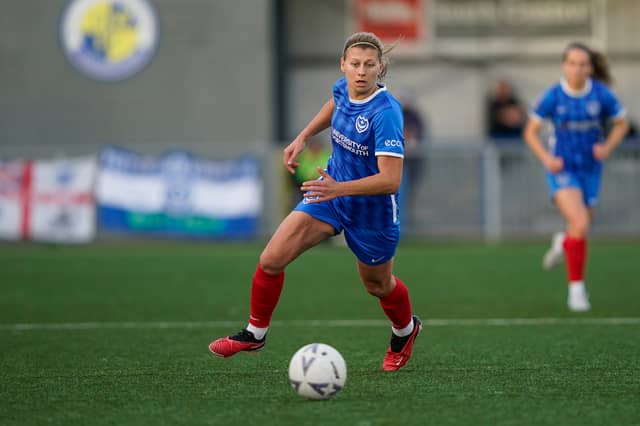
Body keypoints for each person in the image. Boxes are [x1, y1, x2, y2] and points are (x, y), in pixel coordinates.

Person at [209, 32, 422, 371]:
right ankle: (255, 333)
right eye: (355, 64)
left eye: (369, 65)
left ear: (380, 68)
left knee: (378, 285)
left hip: (372, 211)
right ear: (344, 65)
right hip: (330, 194)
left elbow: (390, 180)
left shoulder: (387, 114)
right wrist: (304, 136)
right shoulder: (342, 87)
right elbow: (336, 104)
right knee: (271, 259)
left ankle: (405, 330)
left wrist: (341, 189)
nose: (361, 71)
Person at [523, 42, 628, 312]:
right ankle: (577, 291)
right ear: (564, 65)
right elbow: (530, 132)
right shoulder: (553, 96)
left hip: (591, 169)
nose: (578, 69)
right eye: (572, 63)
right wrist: (547, 159)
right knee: (580, 223)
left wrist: (607, 147)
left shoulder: (601, 95)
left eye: (583, 64)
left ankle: (562, 242)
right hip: (563, 169)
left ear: (590, 67)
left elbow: (622, 123)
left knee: (579, 228)